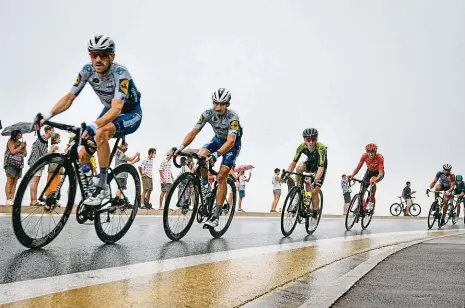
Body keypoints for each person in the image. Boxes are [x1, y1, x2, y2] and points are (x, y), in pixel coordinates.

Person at [39, 34, 142, 207]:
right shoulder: (87, 70)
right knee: (82, 154)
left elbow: (117, 108)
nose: (98, 59)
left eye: (103, 54)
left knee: (101, 132)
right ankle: (91, 188)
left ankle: (103, 187)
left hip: (129, 112)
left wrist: (95, 125)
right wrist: (47, 116)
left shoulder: (120, 73)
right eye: (94, 55)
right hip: (109, 110)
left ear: (112, 56)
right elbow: (69, 98)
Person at [174, 88, 242, 228]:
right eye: (216, 103)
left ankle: (216, 215)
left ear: (227, 104)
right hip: (217, 140)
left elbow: (230, 142)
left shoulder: (233, 118)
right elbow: (193, 133)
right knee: (202, 155)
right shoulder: (208, 113)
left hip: (232, 144)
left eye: (222, 104)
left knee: (222, 175)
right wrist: (179, 148)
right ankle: (205, 186)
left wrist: (216, 155)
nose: (218, 107)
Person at [283, 128, 327, 219]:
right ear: (304, 140)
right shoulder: (301, 146)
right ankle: (299, 188)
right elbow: (293, 163)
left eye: (313, 139)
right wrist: (286, 175)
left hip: (320, 166)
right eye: (308, 140)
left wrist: (314, 181)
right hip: (310, 162)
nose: (311, 142)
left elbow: (320, 168)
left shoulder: (321, 147)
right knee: (299, 168)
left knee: (314, 191)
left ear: (316, 139)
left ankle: (315, 211)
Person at [348, 143, 384, 212]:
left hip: (378, 173)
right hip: (369, 172)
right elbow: (358, 167)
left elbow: (381, 173)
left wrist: (375, 179)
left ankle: (371, 200)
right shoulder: (364, 156)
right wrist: (352, 175)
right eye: (369, 152)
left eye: (372, 152)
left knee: (372, 180)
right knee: (362, 189)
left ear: (375, 152)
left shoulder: (380, 158)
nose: (370, 154)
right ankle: (361, 207)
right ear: (366, 152)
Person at [28, 126, 54, 206]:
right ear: (47, 131)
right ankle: (33, 201)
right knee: (35, 182)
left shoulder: (43, 139)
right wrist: (52, 150)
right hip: (36, 163)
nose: (53, 132)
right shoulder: (43, 139)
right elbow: (44, 155)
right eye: (52, 131)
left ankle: (33, 200)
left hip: (35, 162)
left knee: (34, 181)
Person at [4, 130, 27, 205]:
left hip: (18, 164)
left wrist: (25, 147)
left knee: (15, 182)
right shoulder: (10, 141)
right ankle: (8, 198)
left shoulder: (20, 143)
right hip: (10, 163)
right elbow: (12, 151)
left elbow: (25, 154)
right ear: (15, 135)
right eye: (18, 134)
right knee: (10, 181)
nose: (20, 135)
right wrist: (21, 147)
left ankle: (12, 198)